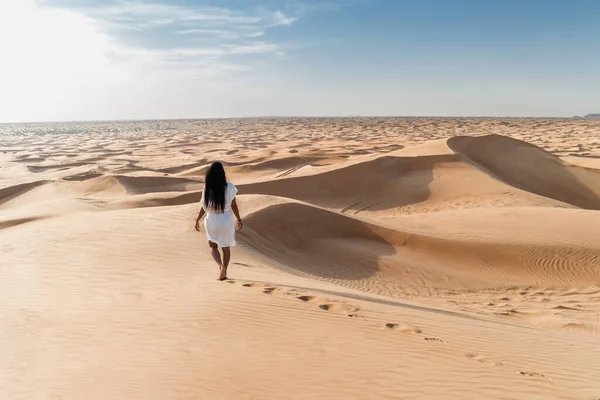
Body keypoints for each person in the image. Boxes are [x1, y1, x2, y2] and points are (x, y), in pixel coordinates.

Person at [195, 162, 243, 280]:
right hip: (225, 218)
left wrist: (197, 219)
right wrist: (239, 218)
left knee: (213, 246)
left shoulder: (206, 188)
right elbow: (234, 205)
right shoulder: (230, 186)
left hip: (211, 219)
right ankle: (224, 271)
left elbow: (203, 206)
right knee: (226, 247)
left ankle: (220, 265)